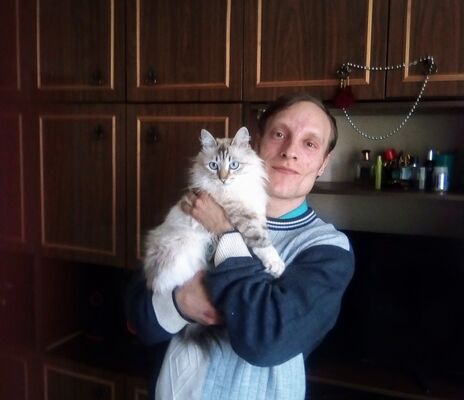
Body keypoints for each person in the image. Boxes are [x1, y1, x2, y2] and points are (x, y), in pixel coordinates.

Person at [126, 92, 355, 399]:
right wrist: (180, 303)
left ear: (323, 163)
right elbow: (136, 317)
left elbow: (265, 340)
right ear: (255, 145)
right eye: (279, 134)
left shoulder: (330, 250)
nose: (290, 151)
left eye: (310, 143)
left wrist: (225, 231)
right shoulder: (198, 206)